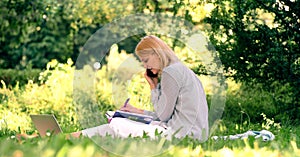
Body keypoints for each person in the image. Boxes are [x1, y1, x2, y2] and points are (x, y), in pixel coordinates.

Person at [18, 35, 209, 142]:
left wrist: (153, 87)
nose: (145, 66)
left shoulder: (170, 73)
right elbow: (170, 114)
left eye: (146, 60)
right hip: (191, 133)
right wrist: (137, 112)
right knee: (116, 125)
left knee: (115, 126)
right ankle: (55, 138)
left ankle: (53, 138)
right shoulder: (182, 70)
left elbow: (164, 116)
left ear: (157, 53)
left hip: (182, 136)